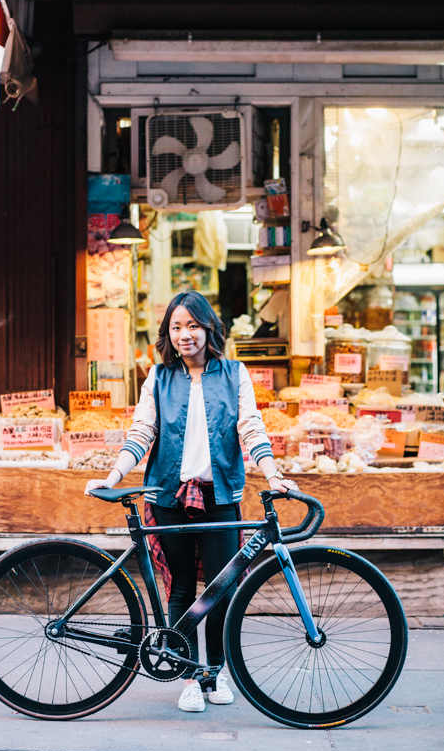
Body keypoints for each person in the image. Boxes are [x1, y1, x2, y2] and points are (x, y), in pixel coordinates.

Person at [85, 291, 297, 713]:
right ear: (168, 332)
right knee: (181, 587)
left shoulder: (234, 373)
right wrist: (113, 476)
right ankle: (187, 675)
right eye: (177, 327)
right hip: (168, 495)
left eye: (193, 326)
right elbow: (141, 432)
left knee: (220, 589)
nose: (185, 335)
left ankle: (213, 672)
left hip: (220, 495)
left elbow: (250, 428)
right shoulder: (158, 377)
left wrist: (272, 472)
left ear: (209, 329)